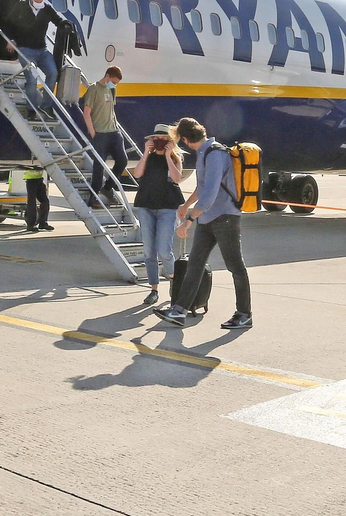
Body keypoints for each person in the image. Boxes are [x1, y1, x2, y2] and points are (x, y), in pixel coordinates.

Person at [153, 117, 253, 330]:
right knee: (195, 265)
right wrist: (187, 204)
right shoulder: (204, 153)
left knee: (235, 266)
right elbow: (203, 186)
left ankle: (244, 314)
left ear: (187, 139)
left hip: (225, 217)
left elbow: (209, 194)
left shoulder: (215, 154)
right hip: (208, 218)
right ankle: (179, 311)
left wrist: (188, 221)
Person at [131, 123, 184, 304]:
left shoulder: (175, 158)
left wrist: (168, 155)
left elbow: (177, 179)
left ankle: (174, 281)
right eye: (156, 138)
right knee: (148, 251)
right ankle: (153, 289)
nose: (159, 141)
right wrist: (146, 153)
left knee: (164, 250)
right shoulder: (149, 157)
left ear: (169, 141)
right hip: (146, 206)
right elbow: (137, 174)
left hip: (167, 208)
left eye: (163, 139)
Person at [7, 0, 68, 111]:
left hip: (42, 50)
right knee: (32, 77)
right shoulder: (20, 7)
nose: (39, 3)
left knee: (53, 73)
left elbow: (58, 20)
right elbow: (8, 23)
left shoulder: (47, 9)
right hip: (25, 49)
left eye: (41, 0)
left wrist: (67, 25)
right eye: (37, 0)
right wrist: (11, 39)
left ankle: (46, 106)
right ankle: (32, 109)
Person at [81, 66, 130, 205]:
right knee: (99, 165)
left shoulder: (112, 89)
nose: (114, 85)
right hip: (100, 133)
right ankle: (93, 195)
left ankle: (108, 188)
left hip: (114, 131)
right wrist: (93, 133)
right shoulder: (94, 89)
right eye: (113, 81)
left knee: (122, 161)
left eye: (116, 83)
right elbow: (87, 112)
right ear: (107, 76)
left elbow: (110, 109)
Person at [22, 168, 53, 232]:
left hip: (39, 180)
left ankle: (42, 223)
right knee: (32, 203)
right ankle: (31, 225)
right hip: (31, 180)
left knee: (45, 201)